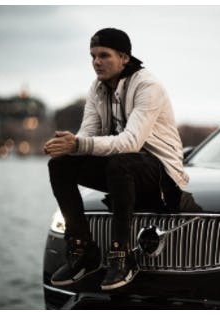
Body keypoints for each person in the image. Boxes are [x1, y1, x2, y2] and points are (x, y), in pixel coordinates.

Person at [44, 28, 188, 290]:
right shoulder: (97, 89)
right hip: (120, 170)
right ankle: (82, 248)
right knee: (60, 165)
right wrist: (66, 146)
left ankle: (122, 256)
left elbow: (131, 142)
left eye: (104, 56)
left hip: (162, 175)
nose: (96, 62)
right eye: (93, 56)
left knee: (120, 162)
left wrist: (78, 144)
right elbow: (88, 135)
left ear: (124, 58)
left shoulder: (148, 86)